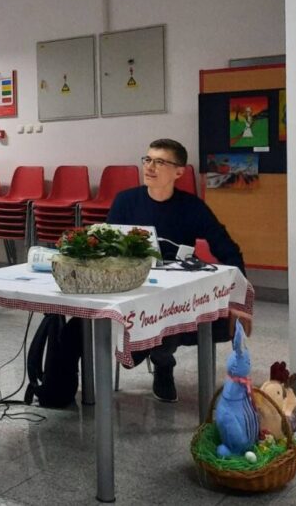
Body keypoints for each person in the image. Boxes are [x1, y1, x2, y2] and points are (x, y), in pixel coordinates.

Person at [107, 138, 245, 403]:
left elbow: (227, 249)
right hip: (134, 284)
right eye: (148, 160)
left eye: (160, 162)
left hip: (175, 289)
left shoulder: (192, 207)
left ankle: (162, 361)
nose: (150, 167)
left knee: (171, 312)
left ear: (179, 172)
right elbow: (111, 246)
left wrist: (239, 295)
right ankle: (141, 348)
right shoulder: (125, 201)